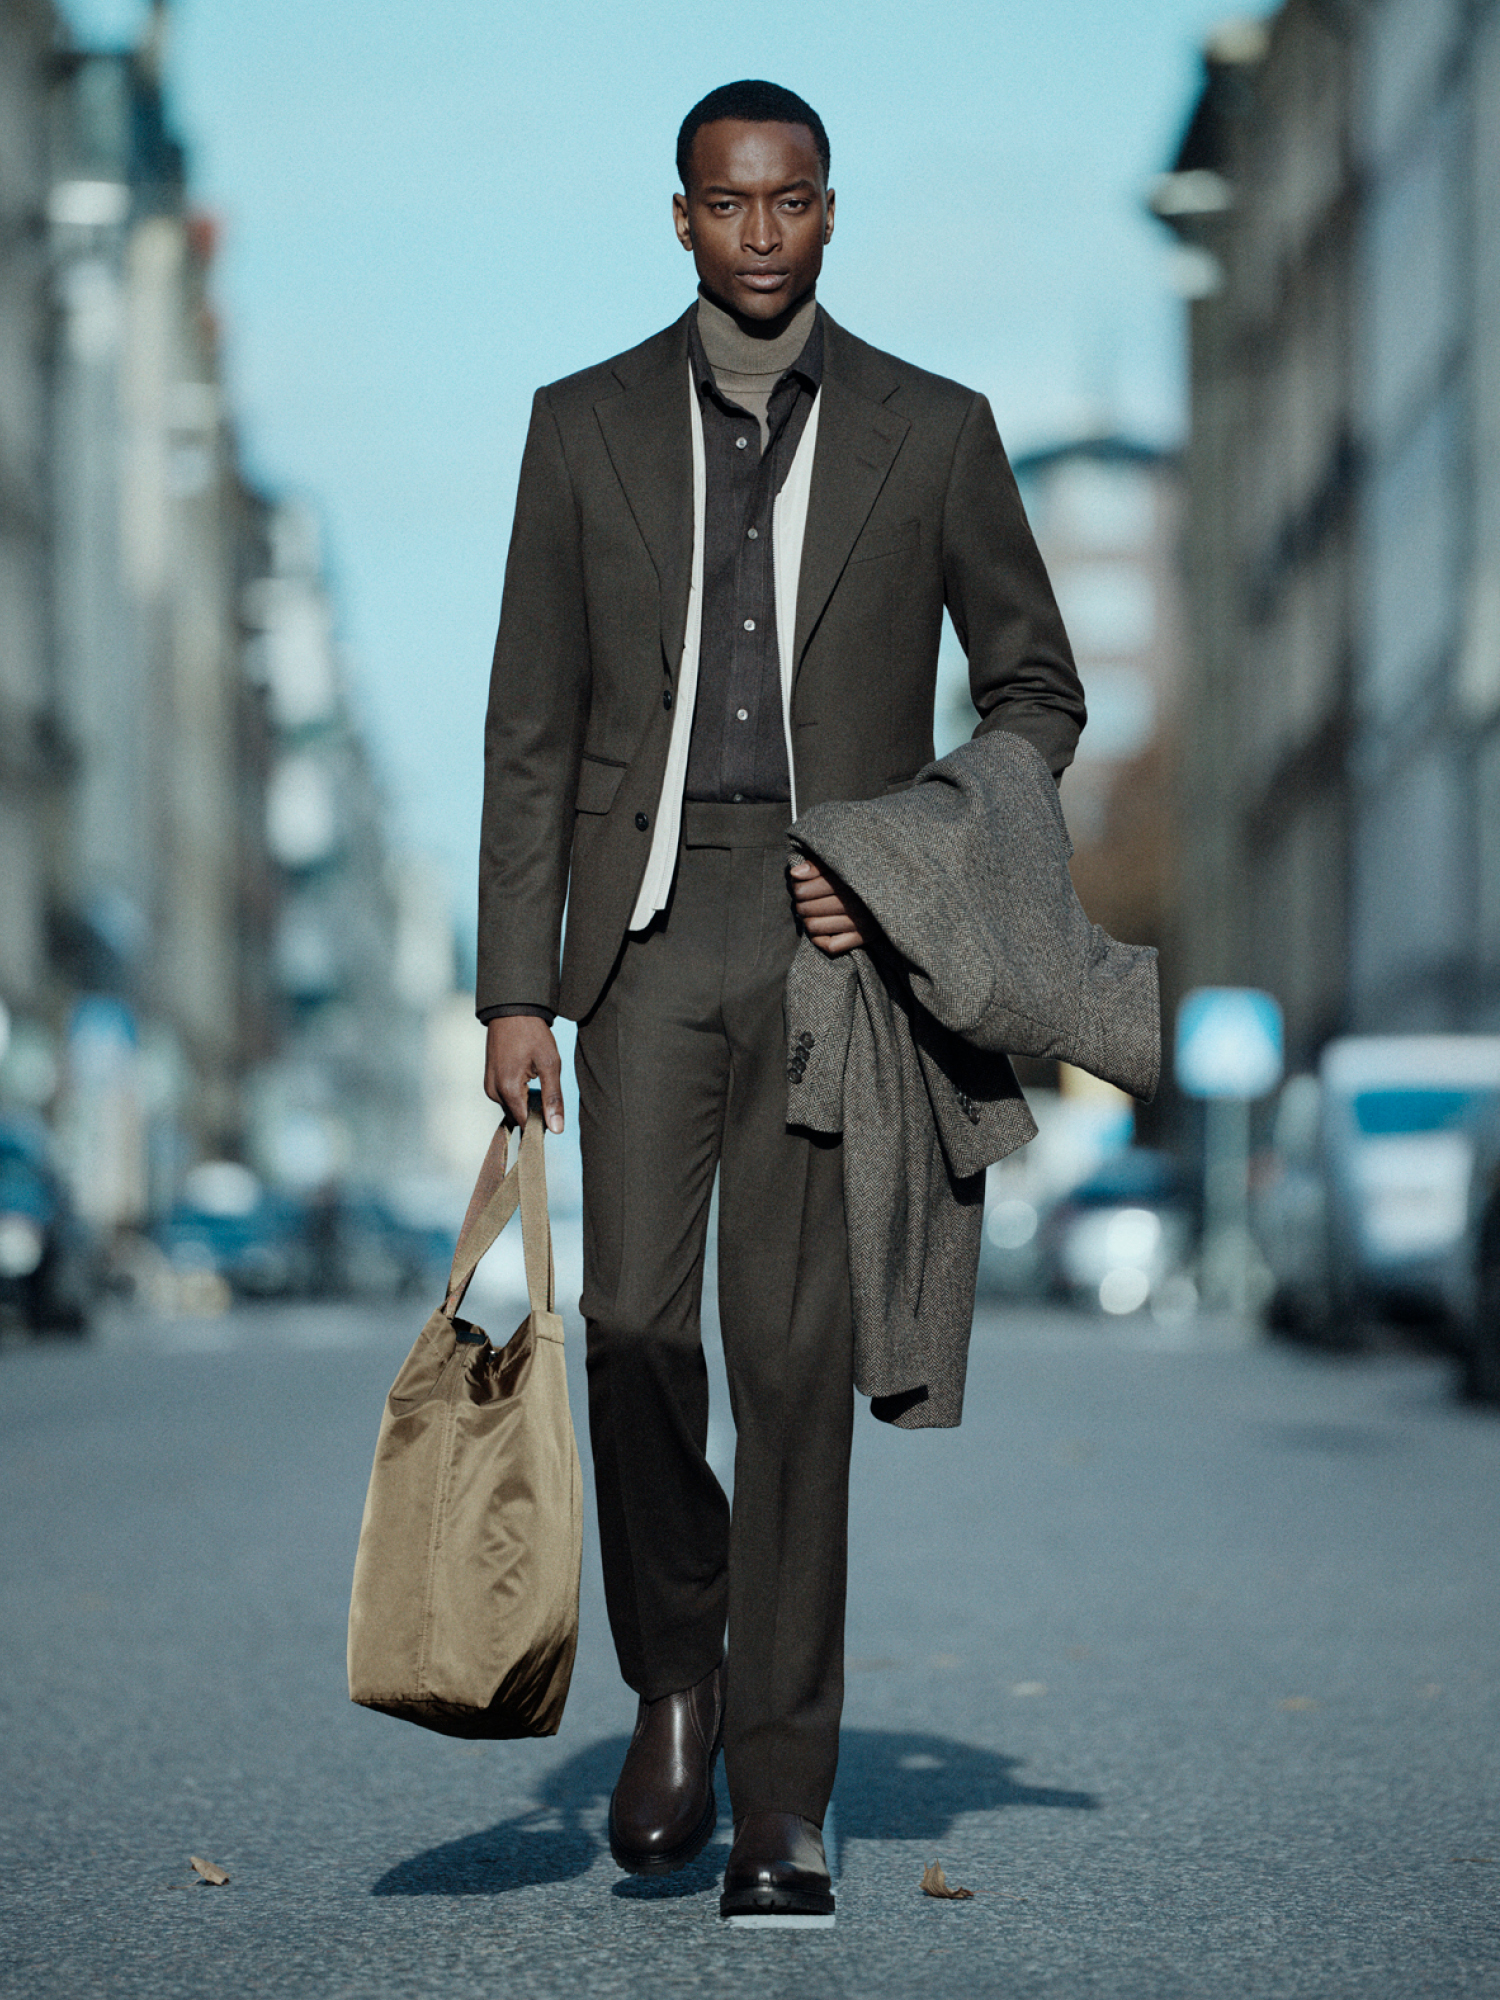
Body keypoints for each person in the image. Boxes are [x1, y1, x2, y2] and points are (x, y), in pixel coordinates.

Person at [477, 78, 1084, 1921]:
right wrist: (515, 990)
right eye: (728, 206)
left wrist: (904, 854)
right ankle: (682, 1667)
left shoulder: (939, 429)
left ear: (831, 212)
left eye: (793, 202)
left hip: (837, 950)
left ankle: (785, 1799)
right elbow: (528, 733)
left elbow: (1036, 692)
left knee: (796, 1368)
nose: (761, 234)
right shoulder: (576, 429)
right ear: (679, 218)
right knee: (643, 1340)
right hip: (644, 946)